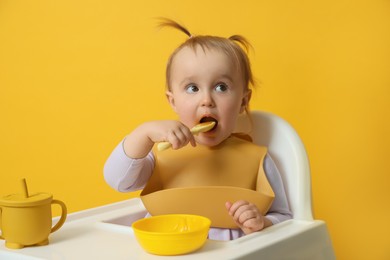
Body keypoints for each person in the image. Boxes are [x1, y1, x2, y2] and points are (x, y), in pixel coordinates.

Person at [104, 18, 292, 240]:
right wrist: (142, 134)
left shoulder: (257, 158)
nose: (206, 100)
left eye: (221, 87)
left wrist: (263, 221)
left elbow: (286, 218)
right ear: (172, 101)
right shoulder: (163, 154)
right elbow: (117, 180)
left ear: (243, 101)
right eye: (192, 88)